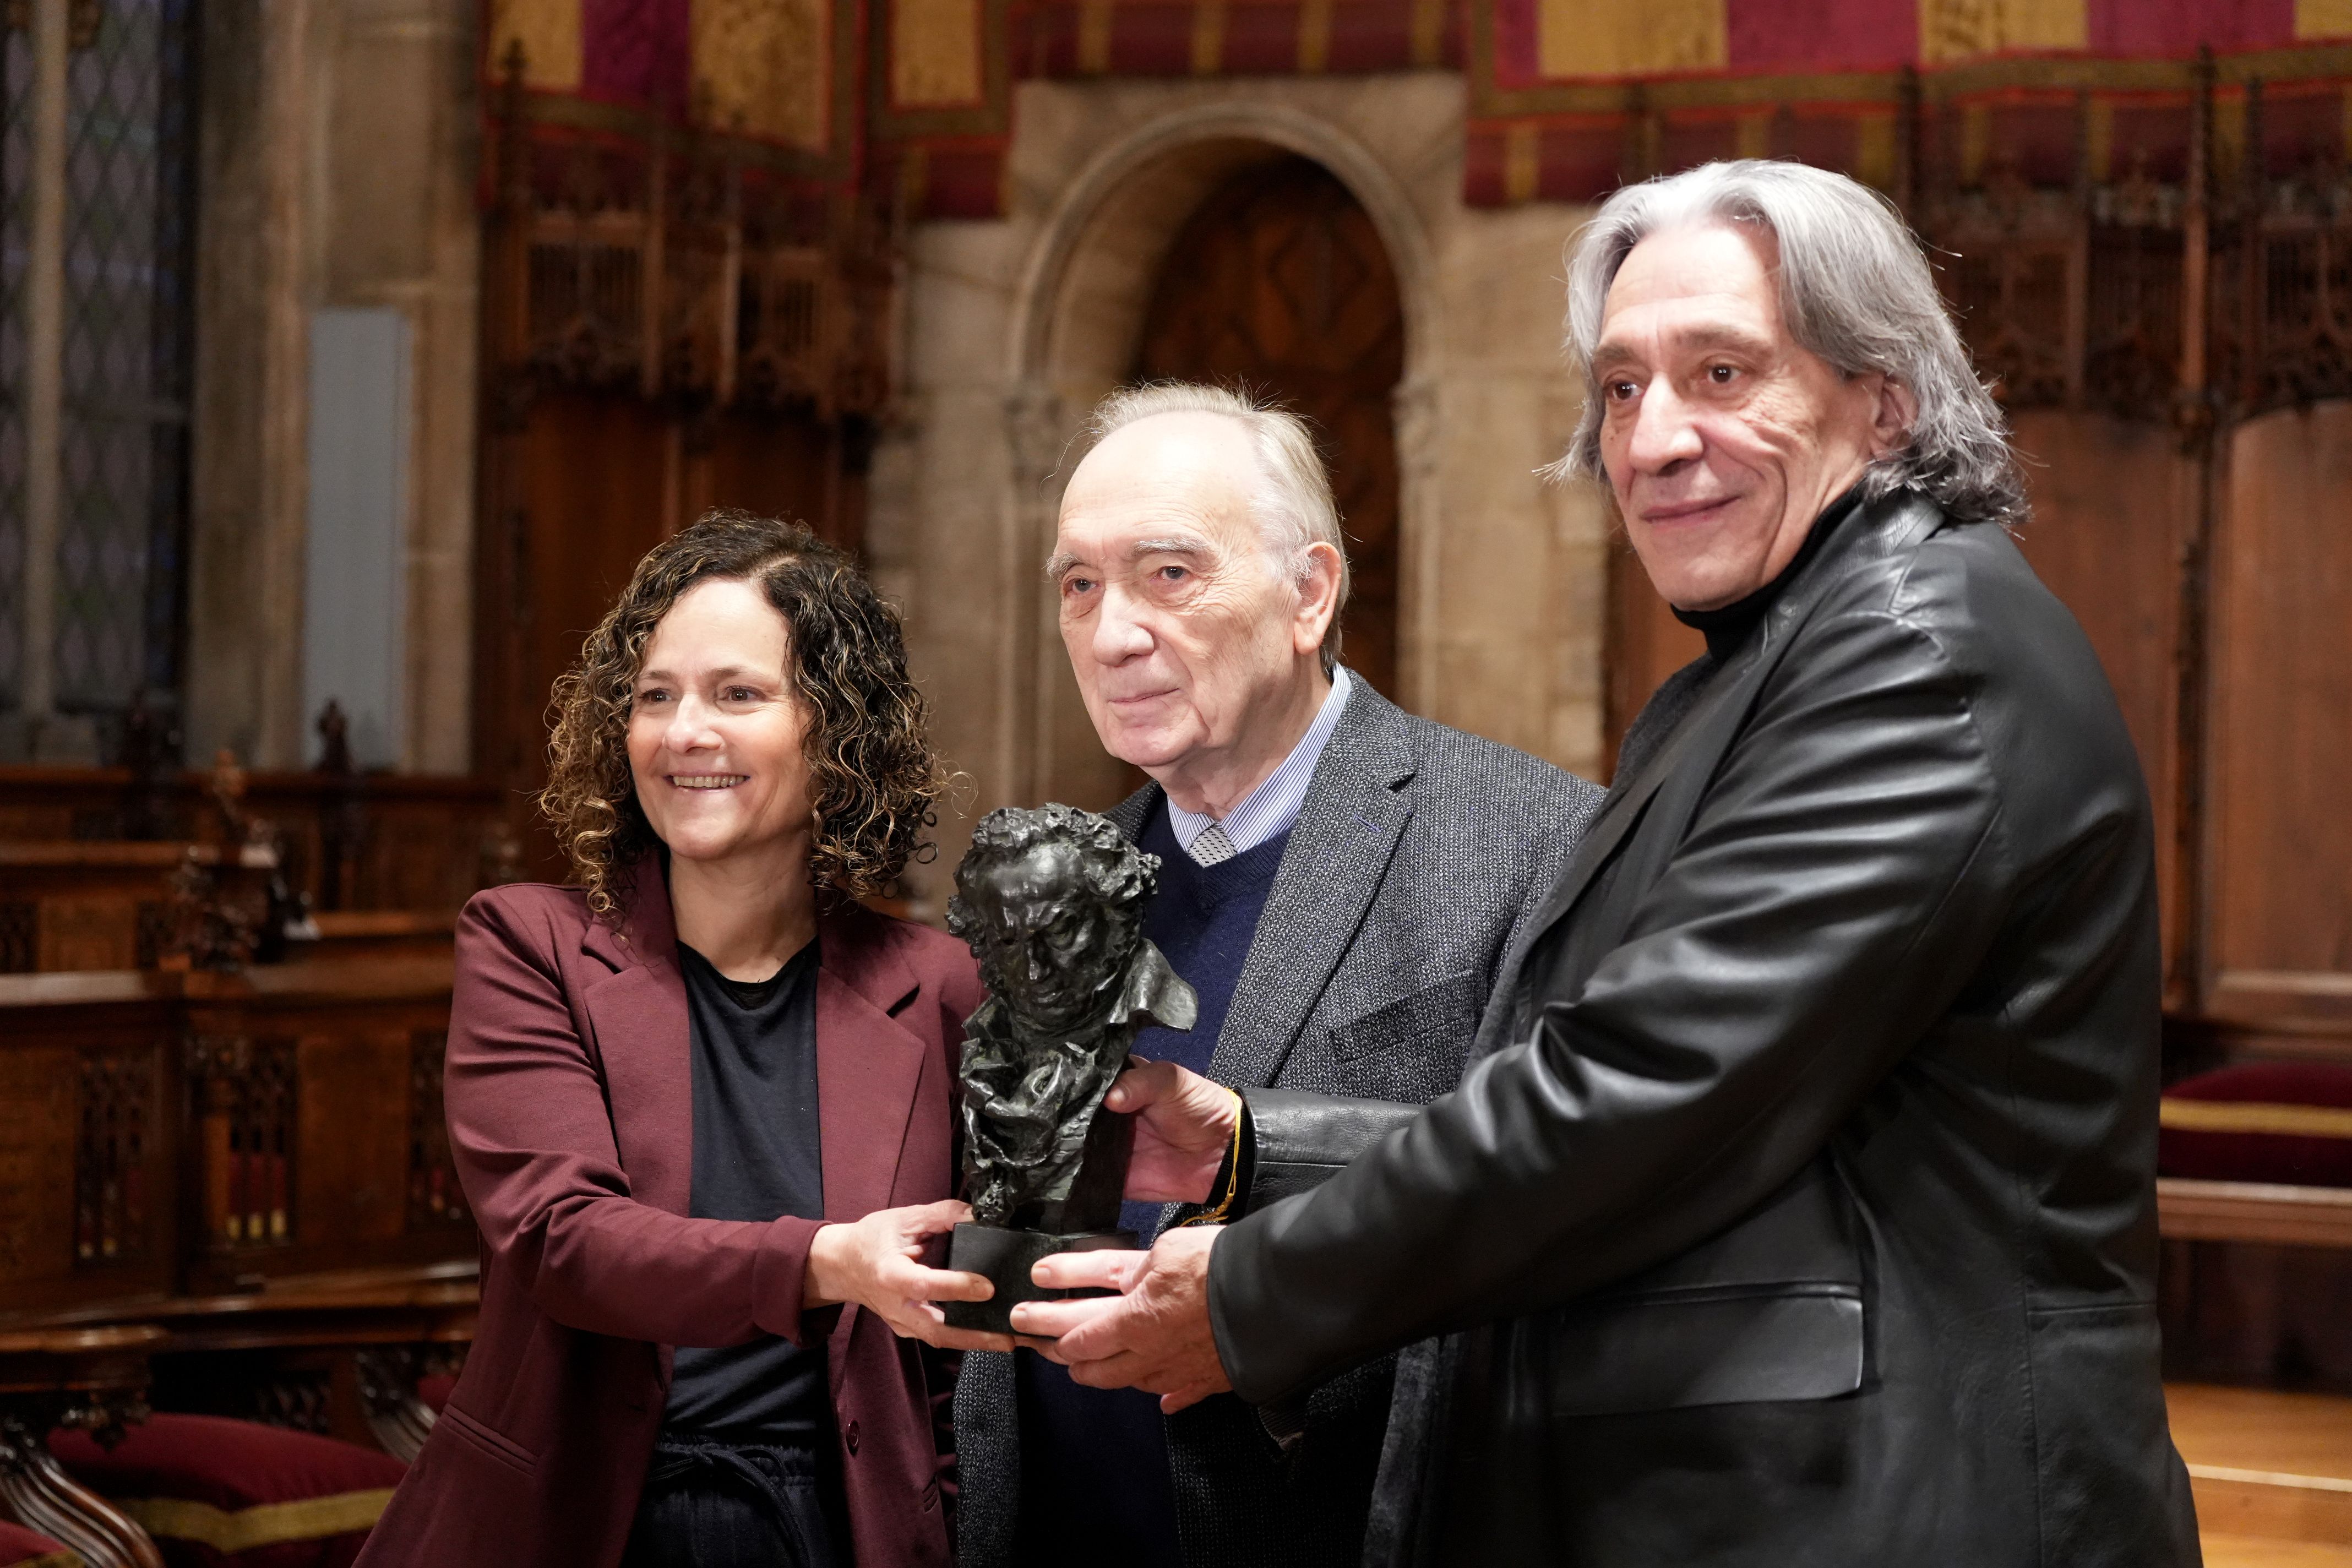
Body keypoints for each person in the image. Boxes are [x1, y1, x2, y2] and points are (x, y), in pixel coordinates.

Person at [1019, 160, 2204, 1566]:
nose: (1654, 438)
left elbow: (1641, 1099)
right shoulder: (1769, 665)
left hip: (1915, 1499)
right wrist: (1260, 1146)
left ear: (1885, 398)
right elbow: (1690, 1108)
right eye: (1624, 387)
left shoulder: (1914, 656)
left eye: (1722, 372)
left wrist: (1246, 1298)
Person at [952, 384, 1604, 1568]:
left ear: (1310, 593)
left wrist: (1265, 1334)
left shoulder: (1532, 843)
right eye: (1079, 585)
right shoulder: (1057, 885)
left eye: (1168, 574)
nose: (1111, 634)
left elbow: (1572, 1219)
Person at [357, 511, 1002, 1568]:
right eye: (655, 696)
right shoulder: (530, 944)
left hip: (846, 1524)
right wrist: (826, 1261)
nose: (682, 732)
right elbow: (564, 1240)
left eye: (737, 695)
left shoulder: (940, 986)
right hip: (589, 1522)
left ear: (837, 730)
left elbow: (960, 1355)